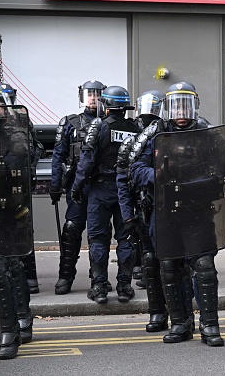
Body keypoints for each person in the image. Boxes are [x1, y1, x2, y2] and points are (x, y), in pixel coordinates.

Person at [131, 81, 225, 346]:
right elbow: (135, 168)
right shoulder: (155, 134)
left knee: (204, 266)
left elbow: (221, 171)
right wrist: (158, 176)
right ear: (167, 108)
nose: (181, 112)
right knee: (170, 267)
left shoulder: (206, 133)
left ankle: (210, 326)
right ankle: (181, 324)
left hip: (197, 210)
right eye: (176, 105)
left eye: (186, 105)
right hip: (164, 212)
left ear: (195, 106)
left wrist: (194, 179)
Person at [71, 85, 139, 304]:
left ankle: (99, 287)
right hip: (125, 192)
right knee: (125, 239)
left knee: (98, 239)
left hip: (100, 190)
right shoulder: (135, 129)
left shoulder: (97, 126)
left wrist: (77, 188)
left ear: (106, 106)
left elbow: (86, 161)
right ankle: (124, 286)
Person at [50, 80, 107, 295]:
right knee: (72, 230)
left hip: (101, 186)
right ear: (82, 97)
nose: (93, 98)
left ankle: (98, 278)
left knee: (99, 234)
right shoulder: (70, 123)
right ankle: (65, 276)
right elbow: (58, 156)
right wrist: (55, 185)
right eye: (89, 94)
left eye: (97, 94)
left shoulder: (109, 122)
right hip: (77, 186)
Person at [116, 90, 167, 331]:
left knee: (180, 265)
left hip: (171, 209)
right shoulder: (132, 142)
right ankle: (157, 312)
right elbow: (123, 180)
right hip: (144, 210)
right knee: (149, 262)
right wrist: (127, 215)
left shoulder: (170, 135)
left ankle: (181, 313)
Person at [0, 98, 35, 359]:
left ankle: (12, 328)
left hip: (9, 208)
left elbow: (18, 165)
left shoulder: (15, 135)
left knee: (6, 269)